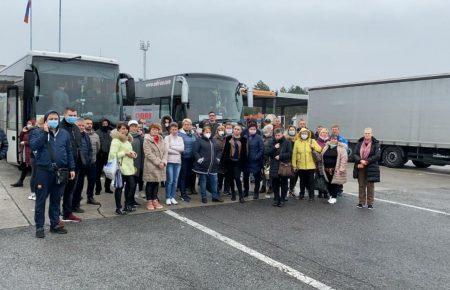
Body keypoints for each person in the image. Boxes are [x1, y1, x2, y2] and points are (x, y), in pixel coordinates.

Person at [30, 110, 75, 238]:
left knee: (56, 200)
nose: (54, 121)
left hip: (60, 172)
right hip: (44, 172)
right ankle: (39, 227)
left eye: (56, 118)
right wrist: (44, 133)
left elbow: (69, 151)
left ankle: (54, 224)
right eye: (51, 118)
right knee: (40, 200)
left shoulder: (64, 134)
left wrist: (71, 168)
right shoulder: (37, 132)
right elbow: (33, 146)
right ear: (45, 120)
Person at [59, 107, 82, 222]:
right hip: (62, 166)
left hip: (75, 165)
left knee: (69, 191)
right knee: (58, 191)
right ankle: (56, 216)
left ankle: (67, 213)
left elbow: (79, 146)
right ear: (65, 115)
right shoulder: (59, 128)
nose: (73, 117)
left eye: (74, 115)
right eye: (70, 115)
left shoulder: (76, 128)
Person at [108, 123, 137, 214]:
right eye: (123, 129)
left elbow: (129, 151)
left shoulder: (127, 140)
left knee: (132, 186)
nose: (125, 130)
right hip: (119, 168)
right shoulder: (116, 140)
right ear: (118, 130)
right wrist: (125, 153)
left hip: (129, 167)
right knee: (119, 188)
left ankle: (127, 205)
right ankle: (118, 208)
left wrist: (133, 154)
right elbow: (112, 155)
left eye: (126, 129)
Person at [72, 118, 97, 212]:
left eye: (82, 125)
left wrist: (89, 159)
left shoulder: (85, 135)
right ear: (75, 126)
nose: (81, 127)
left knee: (80, 186)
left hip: (84, 164)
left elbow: (90, 149)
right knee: (75, 187)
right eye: (79, 125)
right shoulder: (73, 135)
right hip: (76, 165)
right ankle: (73, 205)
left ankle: (76, 204)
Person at [192, 126, 223, 203]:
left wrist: (218, 158)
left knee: (214, 181)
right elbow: (195, 151)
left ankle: (215, 197)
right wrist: (199, 159)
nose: (208, 133)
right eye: (206, 132)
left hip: (213, 165)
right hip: (203, 165)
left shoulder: (214, 141)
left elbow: (219, 150)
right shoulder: (199, 140)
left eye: (209, 132)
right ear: (203, 132)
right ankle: (204, 197)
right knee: (203, 181)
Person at [353, 128, 381, 210]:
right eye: (366, 133)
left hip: (371, 167)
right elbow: (355, 154)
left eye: (369, 133)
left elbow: (377, 156)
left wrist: (366, 161)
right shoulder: (359, 143)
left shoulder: (376, 144)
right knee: (361, 185)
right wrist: (360, 160)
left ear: (371, 134)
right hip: (361, 167)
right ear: (363, 134)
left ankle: (370, 203)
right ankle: (361, 202)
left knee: (370, 186)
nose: (367, 134)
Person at [292, 128, 322, 201]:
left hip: (311, 166)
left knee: (311, 181)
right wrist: (294, 165)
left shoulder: (312, 141)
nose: (304, 135)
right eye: (302, 133)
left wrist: (313, 146)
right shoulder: (297, 142)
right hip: (300, 166)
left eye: (305, 133)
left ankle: (311, 196)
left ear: (308, 134)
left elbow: (320, 149)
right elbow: (294, 154)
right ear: (300, 134)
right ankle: (301, 194)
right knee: (302, 181)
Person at [143, 123, 167, 210]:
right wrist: (158, 162)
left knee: (157, 183)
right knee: (150, 183)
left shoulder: (161, 139)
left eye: (157, 129)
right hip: (151, 165)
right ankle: (149, 201)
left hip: (160, 165)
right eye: (153, 129)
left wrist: (164, 162)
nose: (155, 131)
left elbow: (165, 151)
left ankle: (155, 200)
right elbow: (148, 153)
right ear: (150, 130)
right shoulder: (146, 140)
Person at [320, 134, 348, 204]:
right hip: (326, 169)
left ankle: (334, 197)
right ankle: (331, 195)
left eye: (335, 139)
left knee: (334, 183)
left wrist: (341, 169)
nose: (333, 140)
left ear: (337, 140)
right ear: (330, 139)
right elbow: (322, 156)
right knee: (328, 183)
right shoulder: (326, 147)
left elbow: (344, 159)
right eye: (332, 139)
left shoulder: (341, 148)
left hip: (335, 169)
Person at [223, 125, 247, 203]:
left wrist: (245, 161)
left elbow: (245, 152)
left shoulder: (244, 139)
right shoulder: (228, 138)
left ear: (241, 131)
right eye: (235, 129)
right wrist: (224, 161)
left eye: (238, 129)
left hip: (238, 162)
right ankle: (233, 193)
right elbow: (225, 150)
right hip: (229, 161)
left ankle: (241, 196)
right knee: (230, 178)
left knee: (237, 177)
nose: (236, 130)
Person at [269, 128, 292, 207]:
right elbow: (267, 152)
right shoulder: (272, 142)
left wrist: (281, 156)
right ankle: (276, 199)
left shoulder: (287, 142)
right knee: (275, 183)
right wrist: (274, 147)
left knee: (284, 183)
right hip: (274, 164)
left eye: (279, 135)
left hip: (283, 165)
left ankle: (282, 199)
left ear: (282, 134)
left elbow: (289, 154)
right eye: (276, 135)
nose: (277, 136)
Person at [11, 120, 36, 188]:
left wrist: (25, 143)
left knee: (32, 169)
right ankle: (20, 181)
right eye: (27, 123)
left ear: (33, 125)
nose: (28, 125)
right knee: (25, 167)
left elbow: (33, 142)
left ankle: (36, 185)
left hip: (31, 153)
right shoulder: (26, 131)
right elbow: (21, 138)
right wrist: (23, 131)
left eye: (30, 124)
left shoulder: (34, 131)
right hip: (26, 152)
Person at [164, 122, 184, 205]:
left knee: (175, 180)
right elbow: (166, 149)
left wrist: (173, 147)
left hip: (178, 162)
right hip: (169, 162)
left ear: (178, 130)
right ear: (170, 130)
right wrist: (177, 151)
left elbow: (182, 148)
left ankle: (172, 197)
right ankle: (168, 197)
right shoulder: (167, 138)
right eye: (173, 129)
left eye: (176, 129)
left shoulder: (180, 138)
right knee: (170, 180)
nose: (174, 131)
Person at [243, 122, 264, 200]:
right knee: (245, 177)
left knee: (257, 178)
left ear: (256, 129)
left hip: (256, 161)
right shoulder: (245, 137)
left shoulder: (259, 138)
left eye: (254, 129)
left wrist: (256, 157)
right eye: (251, 129)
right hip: (246, 161)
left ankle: (256, 192)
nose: (252, 130)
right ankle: (245, 191)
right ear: (248, 130)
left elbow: (261, 149)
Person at [83, 118, 101, 205]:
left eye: (91, 123)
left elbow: (98, 148)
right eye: (87, 123)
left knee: (92, 181)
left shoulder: (96, 136)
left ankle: (90, 197)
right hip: (81, 163)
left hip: (92, 162)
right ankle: (77, 198)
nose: (89, 125)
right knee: (79, 183)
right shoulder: (80, 134)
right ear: (84, 124)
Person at [178, 118, 197, 201]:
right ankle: (183, 193)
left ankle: (189, 190)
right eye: (185, 124)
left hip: (192, 158)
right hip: (184, 158)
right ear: (183, 125)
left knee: (190, 175)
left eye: (189, 124)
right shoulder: (179, 134)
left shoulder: (193, 134)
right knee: (183, 176)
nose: (187, 126)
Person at [95, 118, 113, 194]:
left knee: (108, 173)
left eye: (106, 123)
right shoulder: (97, 132)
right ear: (101, 124)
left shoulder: (111, 132)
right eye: (103, 123)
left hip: (109, 155)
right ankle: (98, 189)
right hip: (99, 155)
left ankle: (107, 188)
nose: (105, 125)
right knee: (97, 173)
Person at [128, 120, 144, 206]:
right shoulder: (126, 137)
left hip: (138, 164)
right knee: (130, 185)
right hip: (129, 165)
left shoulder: (140, 137)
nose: (134, 128)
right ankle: (128, 201)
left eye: (135, 126)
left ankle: (132, 200)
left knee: (135, 184)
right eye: (132, 126)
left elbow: (142, 151)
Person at [316, 128, 330, 199]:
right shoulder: (317, 141)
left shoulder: (330, 141)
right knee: (320, 177)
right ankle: (320, 192)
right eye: (322, 132)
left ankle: (326, 192)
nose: (324, 133)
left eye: (325, 132)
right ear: (320, 133)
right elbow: (315, 151)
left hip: (328, 163)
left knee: (327, 178)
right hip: (319, 163)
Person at [214, 125, 227, 195]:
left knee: (226, 174)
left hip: (226, 159)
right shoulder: (214, 139)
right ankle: (218, 188)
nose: (220, 131)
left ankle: (226, 189)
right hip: (218, 158)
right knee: (219, 174)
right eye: (219, 129)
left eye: (222, 129)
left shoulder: (227, 138)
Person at [285, 125, 298, 198]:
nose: (292, 131)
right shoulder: (285, 138)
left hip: (295, 160)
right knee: (286, 175)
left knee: (294, 176)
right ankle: (285, 190)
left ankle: (291, 189)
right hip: (287, 159)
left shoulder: (297, 139)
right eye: (290, 129)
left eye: (293, 129)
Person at [261, 124, 273, 198]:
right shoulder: (262, 138)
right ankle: (263, 186)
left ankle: (270, 187)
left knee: (268, 174)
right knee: (263, 174)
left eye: (269, 129)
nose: (267, 131)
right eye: (266, 129)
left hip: (269, 159)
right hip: (262, 158)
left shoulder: (273, 139)